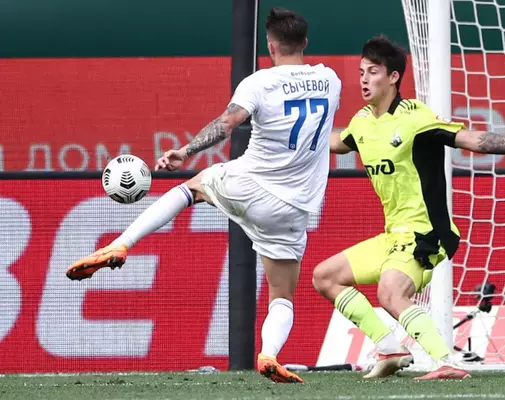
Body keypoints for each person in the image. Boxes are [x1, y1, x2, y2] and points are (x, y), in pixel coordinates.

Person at [66, 7, 342, 384]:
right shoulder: (330, 80)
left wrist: (186, 151)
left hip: (250, 183)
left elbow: (226, 124)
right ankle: (269, 354)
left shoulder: (258, 83)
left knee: (189, 189)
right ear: (305, 43)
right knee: (282, 295)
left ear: (270, 45)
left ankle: (120, 244)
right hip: (295, 207)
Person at [312, 34, 505, 380]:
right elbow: (340, 142)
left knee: (390, 293)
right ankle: (389, 348)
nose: (364, 79)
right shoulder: (362, 120)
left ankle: (447, 361)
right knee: (325, 276)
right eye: (362, 72)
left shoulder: (415, 117)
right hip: (393, 236)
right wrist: (296, 136)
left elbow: (470, 138)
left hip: (426, 232)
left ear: (393, 77)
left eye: (373, 72)